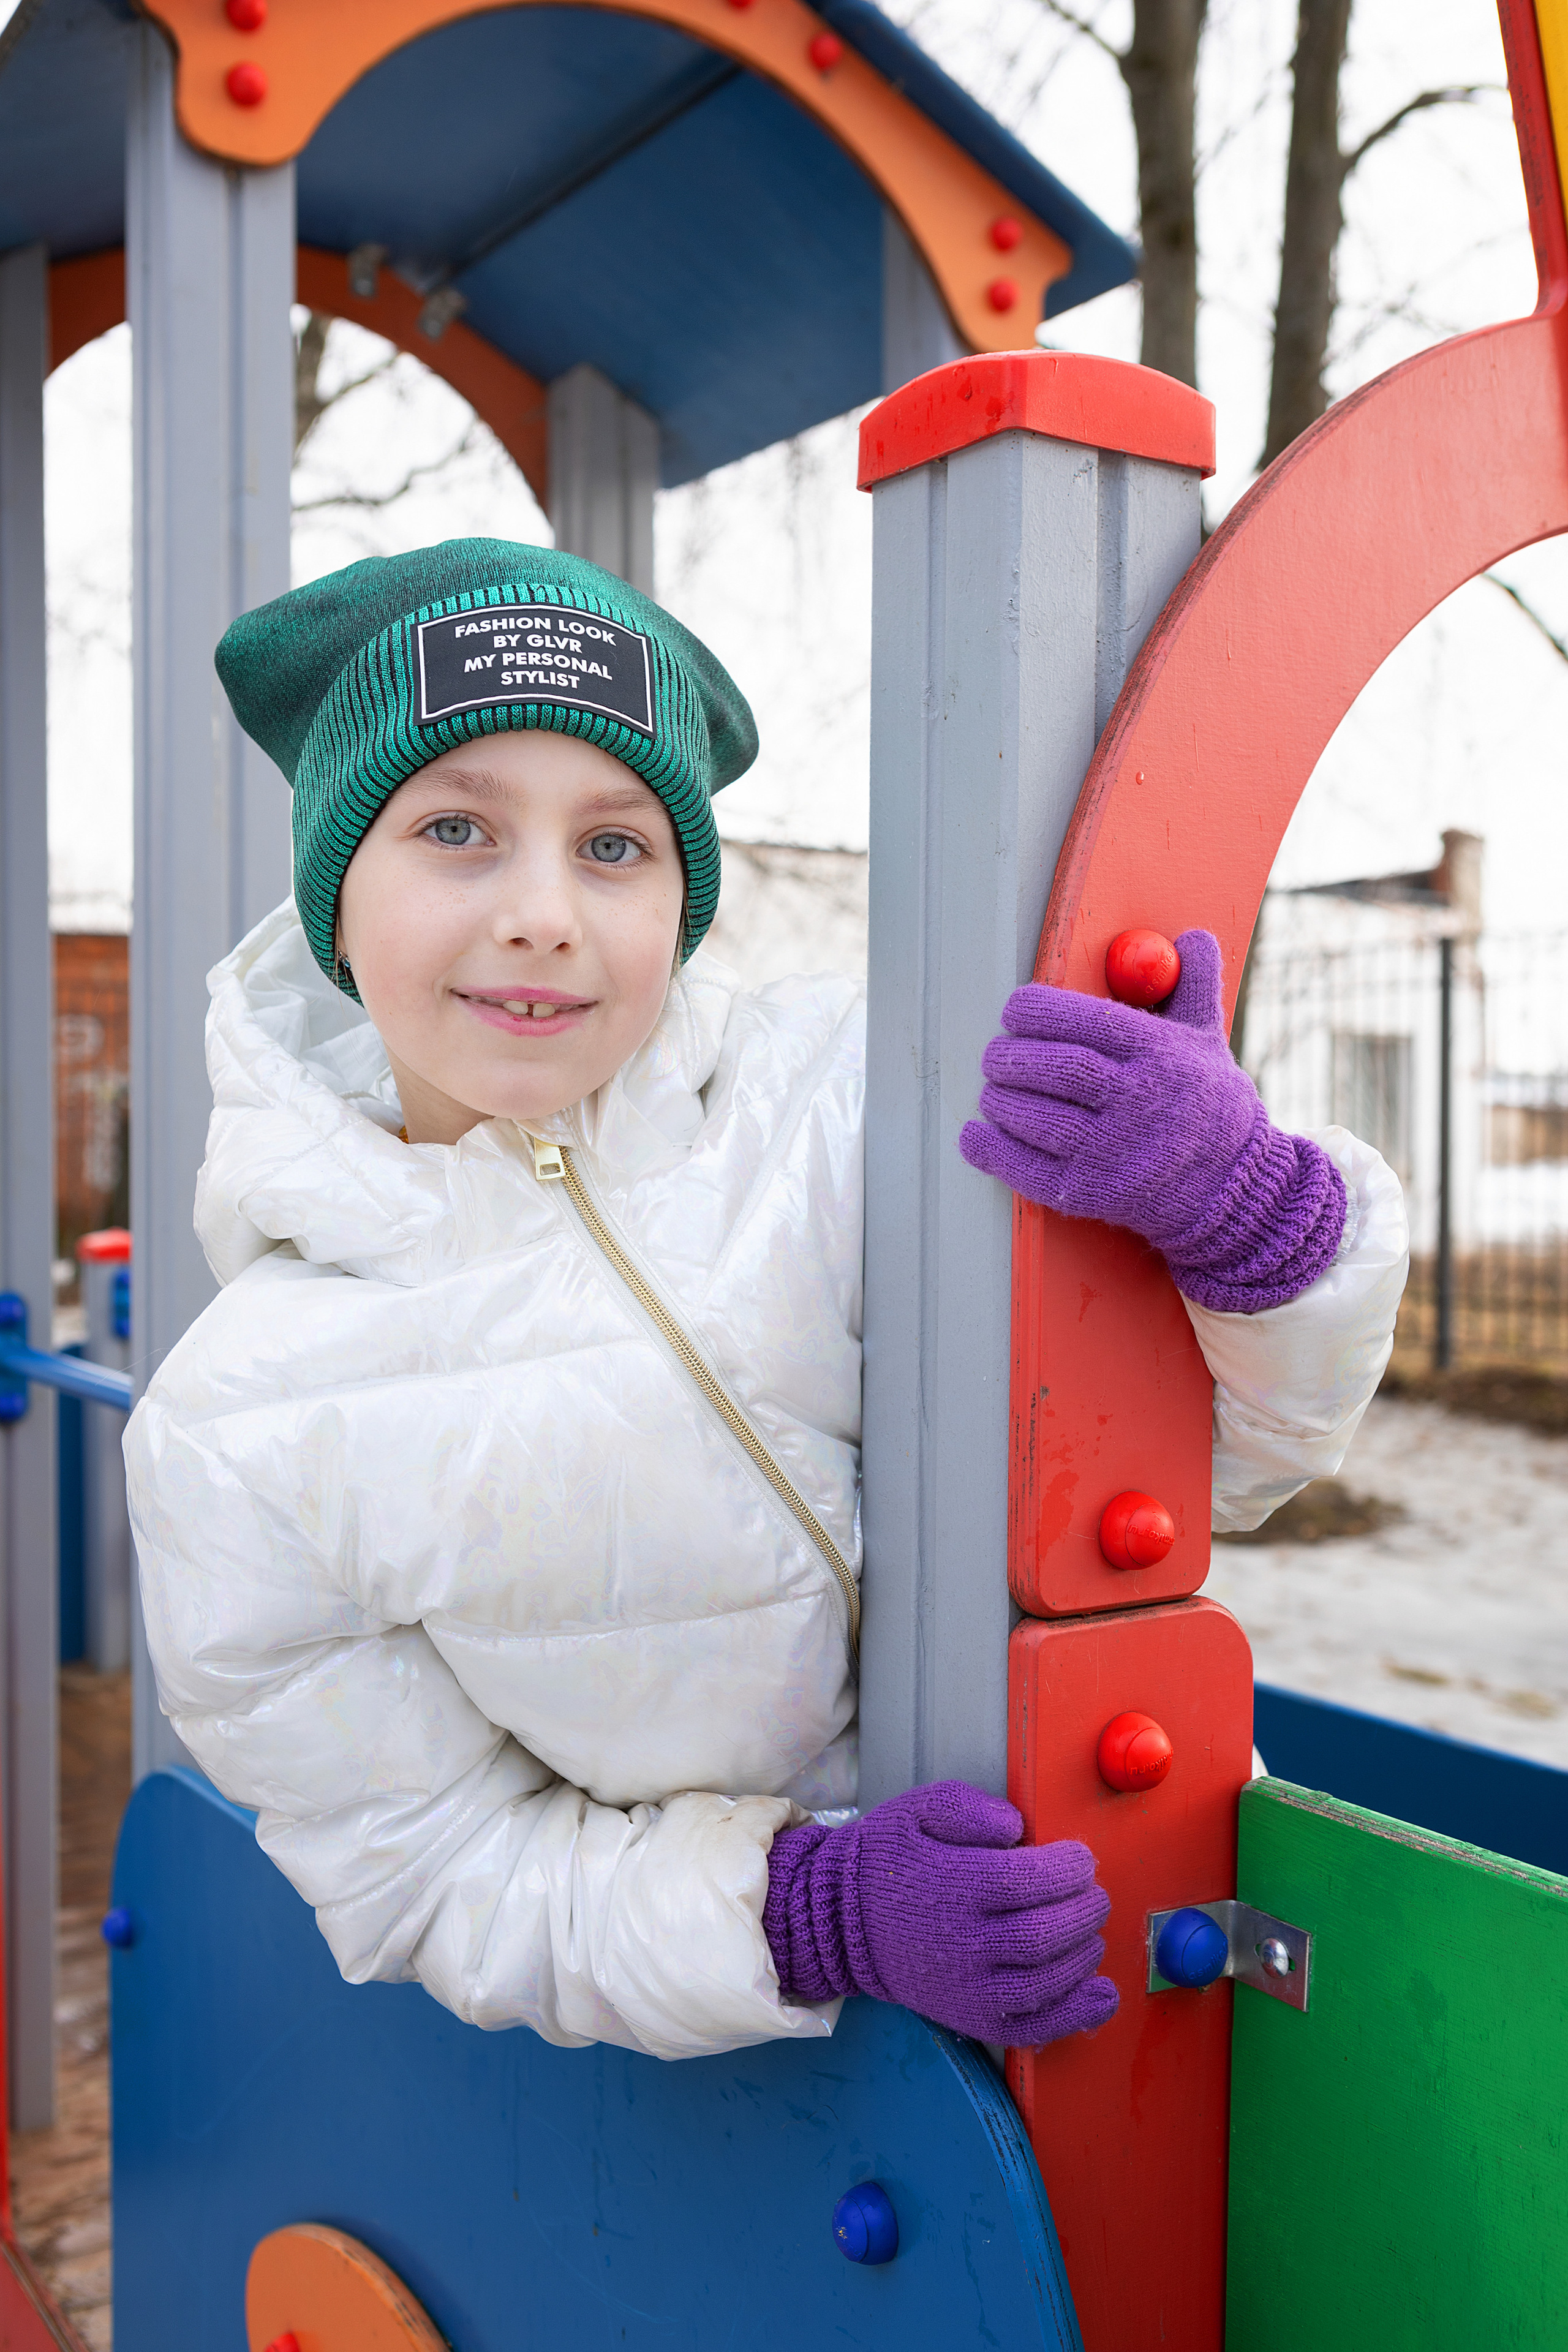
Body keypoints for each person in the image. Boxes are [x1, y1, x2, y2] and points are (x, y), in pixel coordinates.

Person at [123, 540, 1408, 2063]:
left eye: (614, 848)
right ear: (336, 892)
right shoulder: (244, 1430)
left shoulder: (862, 1104)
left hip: (1152, 1938)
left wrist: (1248, 1216)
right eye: (457, 828)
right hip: (787, 2102)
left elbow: (1223, 1476)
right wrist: (799, 1913)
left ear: (680, 901)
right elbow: (427, 1871)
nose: (544, 911)